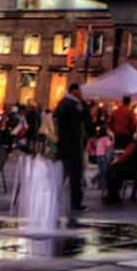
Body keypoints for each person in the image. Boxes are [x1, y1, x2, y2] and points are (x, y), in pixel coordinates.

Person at [54, 83, 89, 211]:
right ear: (74, 91)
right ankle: (76, 203)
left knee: (63, 172)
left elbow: (56, 118)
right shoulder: (75, 105)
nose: (81, 93)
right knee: (75, 173)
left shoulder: (62, 103)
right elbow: (85, 118)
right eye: (79, 91)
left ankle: (53, 197)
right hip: (73, 143)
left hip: (63, 143)